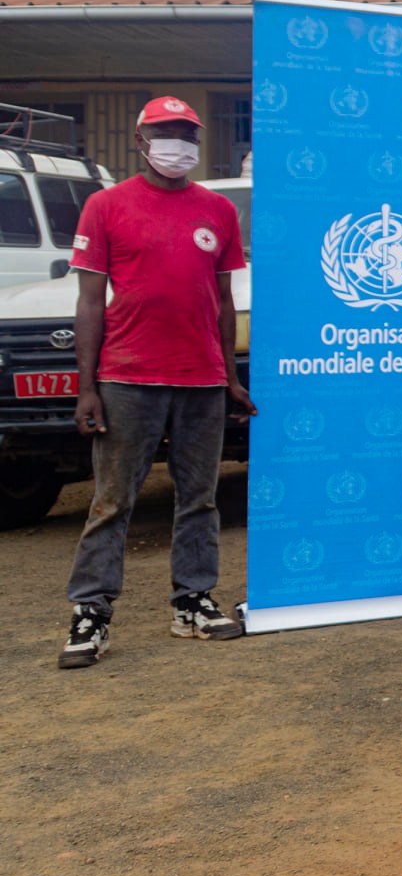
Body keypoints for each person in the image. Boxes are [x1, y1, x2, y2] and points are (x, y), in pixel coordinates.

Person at [59, 96, 255, 669]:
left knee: (199, 498)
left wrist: (229, 375)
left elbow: (223, 300)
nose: (179, 144)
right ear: (141, 140)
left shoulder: (218, 210)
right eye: (166, 132)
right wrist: (87, 386)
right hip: (127, 377)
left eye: (187, 134)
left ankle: (192, 600)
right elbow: (89, 301)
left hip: (201, 380)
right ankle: (91, 612)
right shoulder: (106, 205)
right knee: (112, 500)